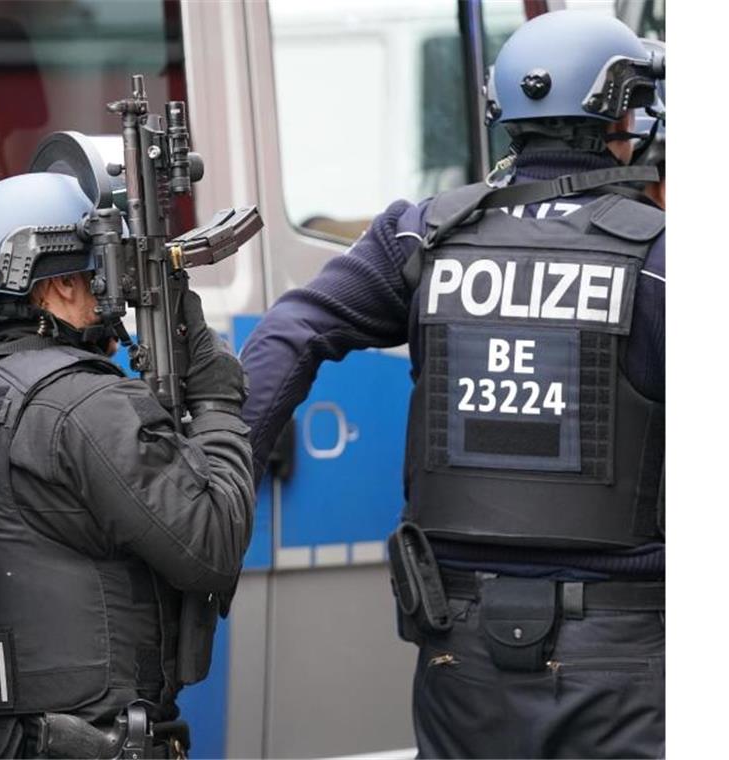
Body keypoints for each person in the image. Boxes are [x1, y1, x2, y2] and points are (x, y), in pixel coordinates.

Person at [239, 11, 664, 758]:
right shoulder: (662, 257)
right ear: (620, 116)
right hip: (623, 656)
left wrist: (217, 484)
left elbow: (291, 330)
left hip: (457, 649)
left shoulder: (421, 235)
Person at [0, 171, 254, 759]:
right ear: (56, 285)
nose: (114, 293)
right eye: (99, 272)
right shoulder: (87, 406)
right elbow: (213, 542)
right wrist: (216, 403)